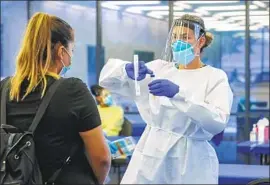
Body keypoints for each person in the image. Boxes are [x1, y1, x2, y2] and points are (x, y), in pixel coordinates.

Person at [99, 14, 233, 184]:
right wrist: (125, 70)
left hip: (191, 160)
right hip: (151, 152)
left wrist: (179, 96)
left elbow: (217, 121)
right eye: (175, 37)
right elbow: (106, 80)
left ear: (200, 42)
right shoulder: (158, 68)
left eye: (185, 37)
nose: (178, 42)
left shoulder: (214, 77)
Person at [0, 12, 111, 184]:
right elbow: (101, 159)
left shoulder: (4, 88)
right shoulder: (73, 90)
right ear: (61, 52)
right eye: (71, 50)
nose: (71, 57)